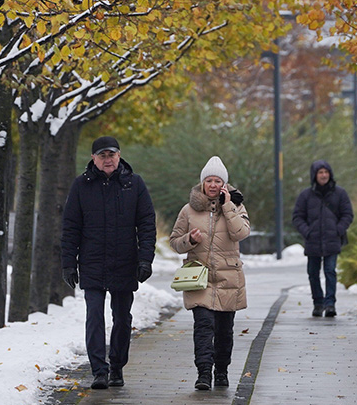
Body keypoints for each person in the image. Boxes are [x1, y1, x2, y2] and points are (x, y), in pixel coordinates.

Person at [61, 136, 156, 390]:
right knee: (94, 317)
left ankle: (117, 366)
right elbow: (70, 227)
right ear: (93, 158)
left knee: (122, 318)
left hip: (125, 262)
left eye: (111, 154)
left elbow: (147, 224)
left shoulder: (134, 184)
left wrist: (145, 259)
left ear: (119, 155)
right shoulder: (81, 185)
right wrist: (68, 263)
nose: (108, 160)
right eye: (102, 155)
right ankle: (99, 371)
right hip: (92, 262)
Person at [170, 156, 250, 391]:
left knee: (224, 330)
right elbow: (174, 241)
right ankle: (204, 372)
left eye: (217, 181)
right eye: (209, 181)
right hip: (199, 277)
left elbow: (241, 233)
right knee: (203, 326)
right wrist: (189, 240)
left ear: (224, 185)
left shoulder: (236, 207)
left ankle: (222, 371)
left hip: (228, 278)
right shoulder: (188, 210)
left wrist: (228, 207)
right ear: (202, 183)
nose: (213, 185)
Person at [292, 159, 354, 317]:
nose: (324, 175)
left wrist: (338, 230)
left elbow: (347, 214)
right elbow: (297, 217)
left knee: (330, 271)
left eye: (326, 172)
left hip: (332, 240)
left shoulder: (340, 193)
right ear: (315, 175)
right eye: (320, 172)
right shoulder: (306, 195)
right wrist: (307, 232)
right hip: (313, 241)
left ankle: (330, 304)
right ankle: (318, 303)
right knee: (313, 273)